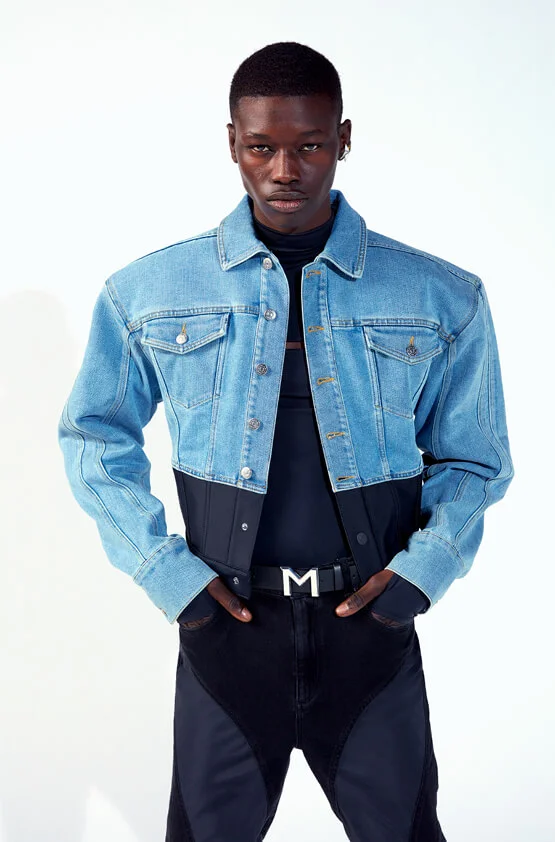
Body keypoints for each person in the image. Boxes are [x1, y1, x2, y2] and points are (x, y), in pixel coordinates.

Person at [57, 41, 514, 842]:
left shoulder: (440, 295)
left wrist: (421, 575)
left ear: (343, 139)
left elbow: (475, 459)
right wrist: (169, 577)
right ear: (231, 142)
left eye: (308, 146)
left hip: (369, 632)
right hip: (227, 635)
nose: (284, 170)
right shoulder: (147, 292)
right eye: (261, 146)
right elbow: (92, 436)